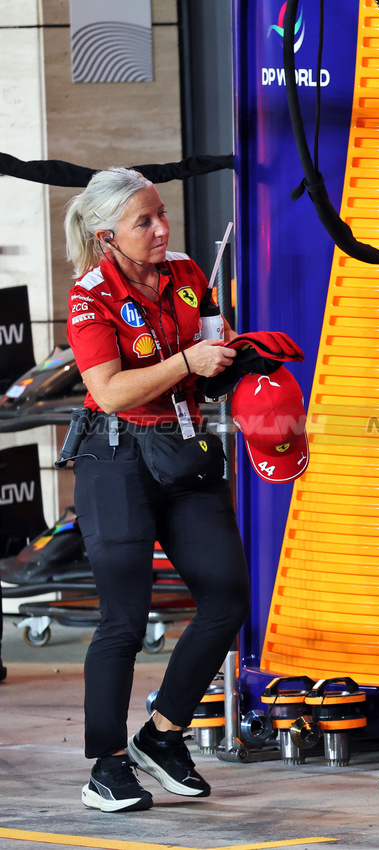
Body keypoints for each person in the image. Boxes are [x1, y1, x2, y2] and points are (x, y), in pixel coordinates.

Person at [63, 167, 249, 813]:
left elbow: (210, 350)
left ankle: (162, 736)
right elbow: (109, 390)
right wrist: (185, 365)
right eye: (144, 221)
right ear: (105, 231)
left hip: (184, 446)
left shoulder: (190, 272)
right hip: (113, 455)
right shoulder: (89, 294)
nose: (161, 229)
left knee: (227, 595)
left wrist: (241, 359)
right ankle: (106, 768)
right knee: (123, 617)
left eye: (161, 214)